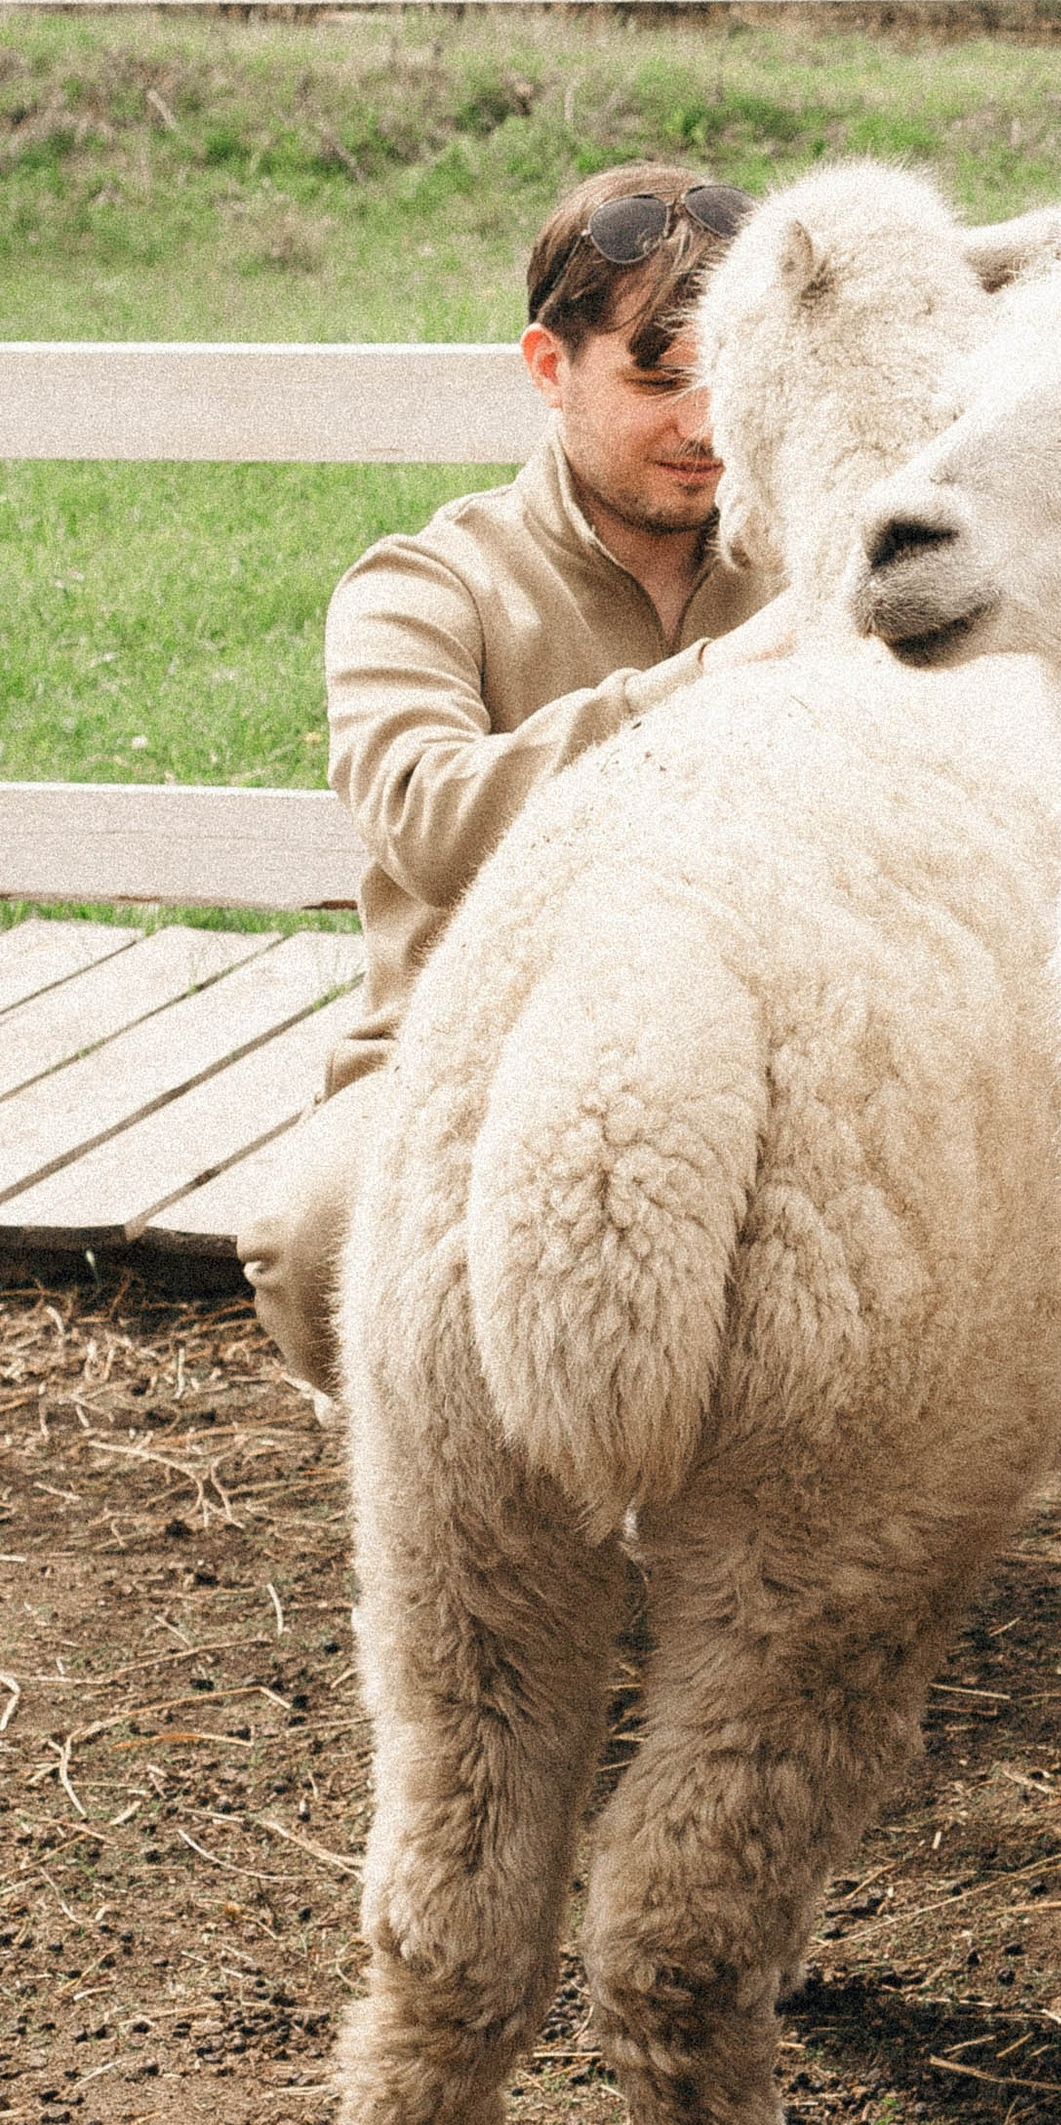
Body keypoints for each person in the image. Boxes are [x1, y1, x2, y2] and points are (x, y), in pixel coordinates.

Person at [239, 163, 794, 1399]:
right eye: (658, 379)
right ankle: (458, 1442)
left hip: (769, 1039)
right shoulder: (421, 585)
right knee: (315, 1246)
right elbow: (429, 819)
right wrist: (713, 679)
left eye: (733, 374)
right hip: (468, 1047)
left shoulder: (816, 562)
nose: (708, 424)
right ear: (549, 366)